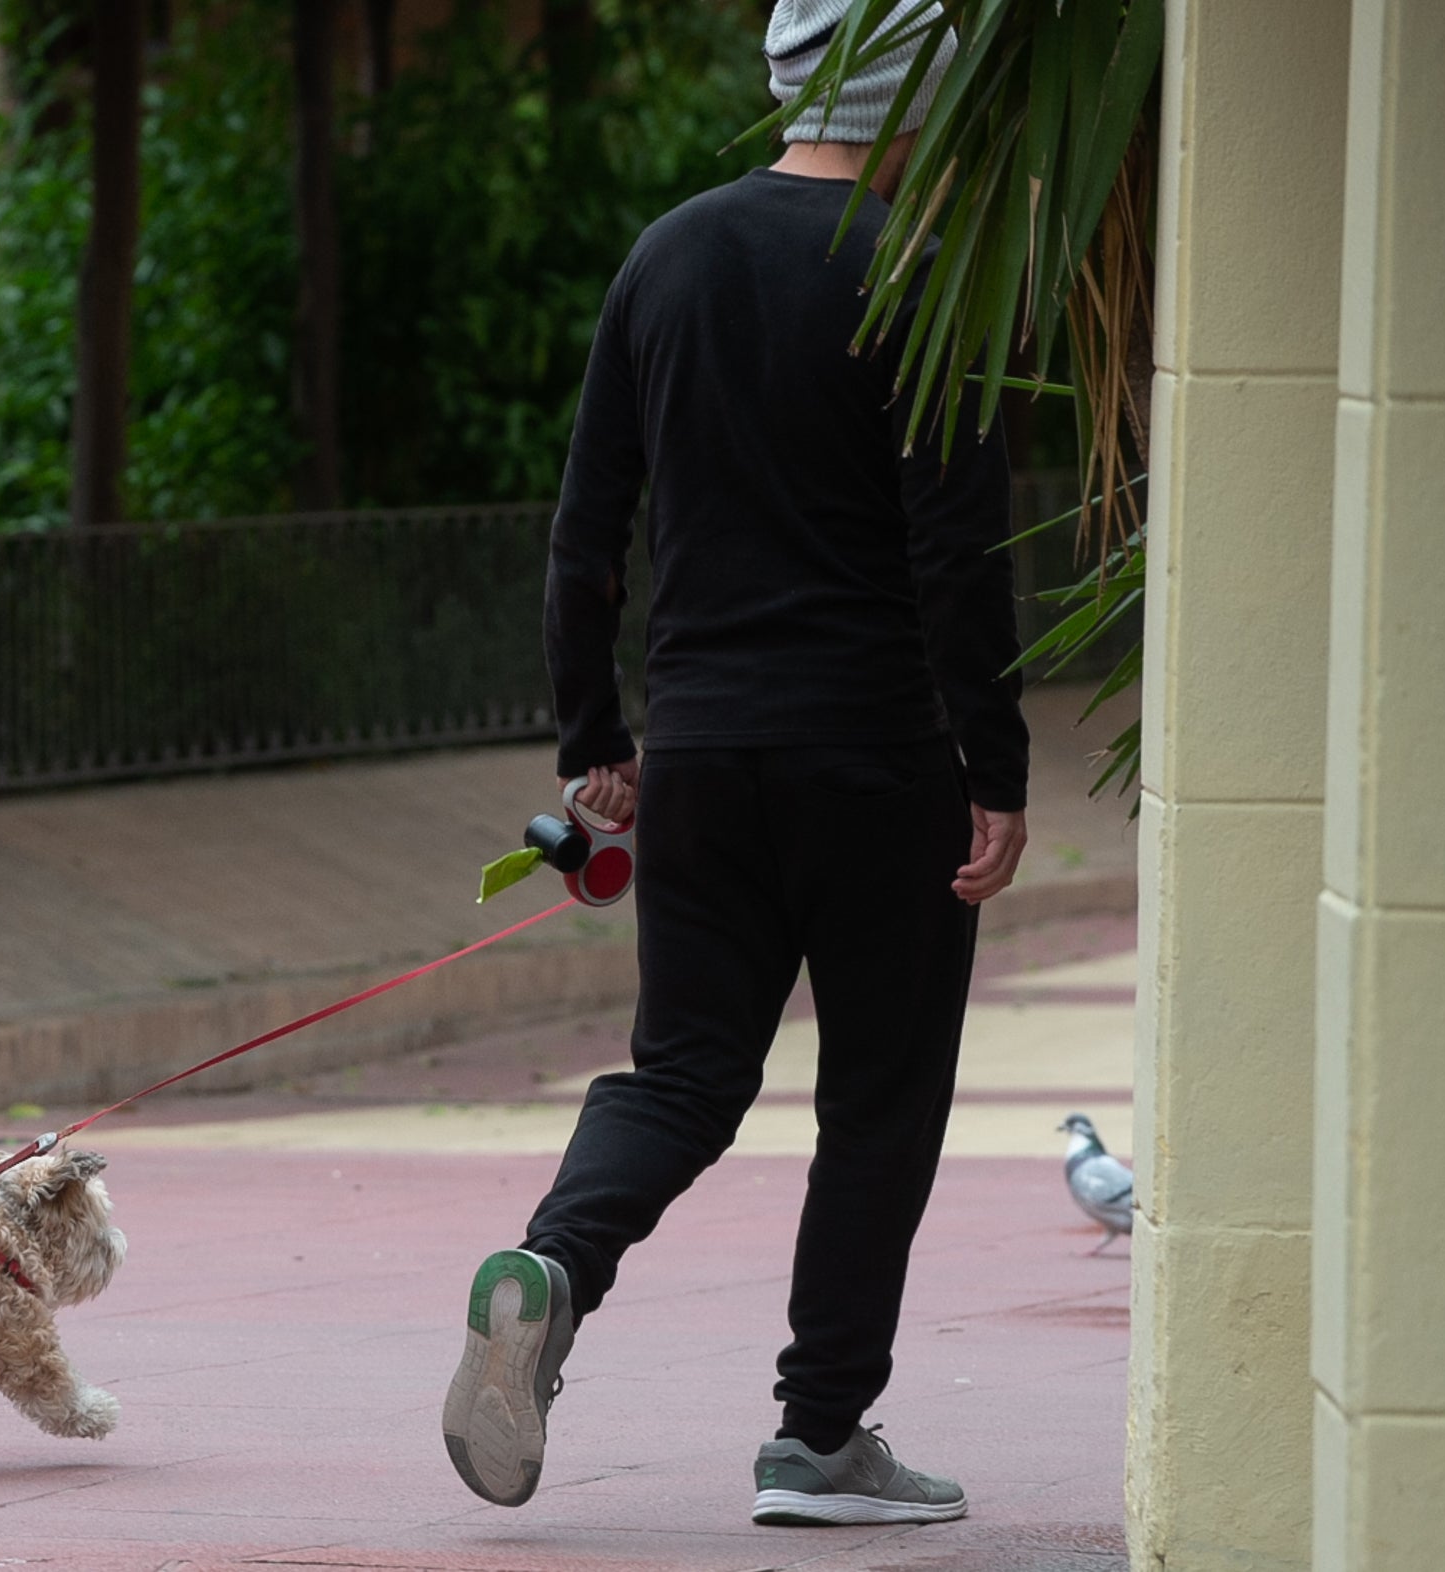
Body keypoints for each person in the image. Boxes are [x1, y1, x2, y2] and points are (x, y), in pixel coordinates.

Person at [439, 0, 1030, 1528]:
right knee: (879, 1098)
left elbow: (582, 538)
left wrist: (595, 746)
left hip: (699, 751)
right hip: (878, 756)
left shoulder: (667, 255)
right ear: (924, 96)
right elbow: (958, 551)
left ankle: (552, 1268)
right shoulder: (922, 270)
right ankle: (818, 1437)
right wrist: (996, 759)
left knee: (687, 1071)